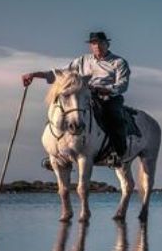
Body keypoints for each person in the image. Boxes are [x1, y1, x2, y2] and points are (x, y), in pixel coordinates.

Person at [22, 31, 131, 166]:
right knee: (60, 113)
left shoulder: (118, 62)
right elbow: (61, 73)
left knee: (115, 118)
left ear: (107, 44)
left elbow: (122, 85)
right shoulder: (82, 60)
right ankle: (55, 154)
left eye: (100, 43)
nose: (97, 46)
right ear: (91, 46)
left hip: (108, 97)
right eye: (94, 43)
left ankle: (116, 153)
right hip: (84, 95)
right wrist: (34, 74)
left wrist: (105, 89)